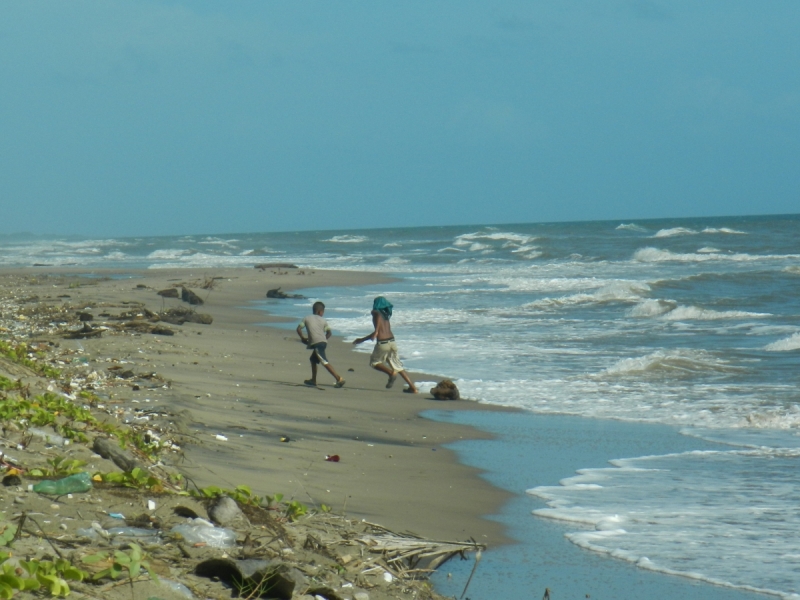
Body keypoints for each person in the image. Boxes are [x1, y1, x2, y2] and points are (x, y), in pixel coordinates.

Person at [353, 296, 418, 393]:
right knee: (398, 366)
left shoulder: (376, 312)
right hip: (392, 341)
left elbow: (377, 319)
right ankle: (413, 388)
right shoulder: (386, 316)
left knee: (374, 363)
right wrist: (362, 339)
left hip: (383, 343)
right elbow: (380, 330)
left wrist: (376, 331)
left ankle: (390, 373)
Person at [296, 301, 345, 388]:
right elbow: (329, 333)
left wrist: (303, 338)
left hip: (317, 343)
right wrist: (323, 339)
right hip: (323, 342)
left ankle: (339, 378)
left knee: (324, 361)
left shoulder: (306, 318)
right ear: (320, 312)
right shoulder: (323, 320)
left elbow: (298, 329)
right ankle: (313, 380)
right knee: (313, 359)